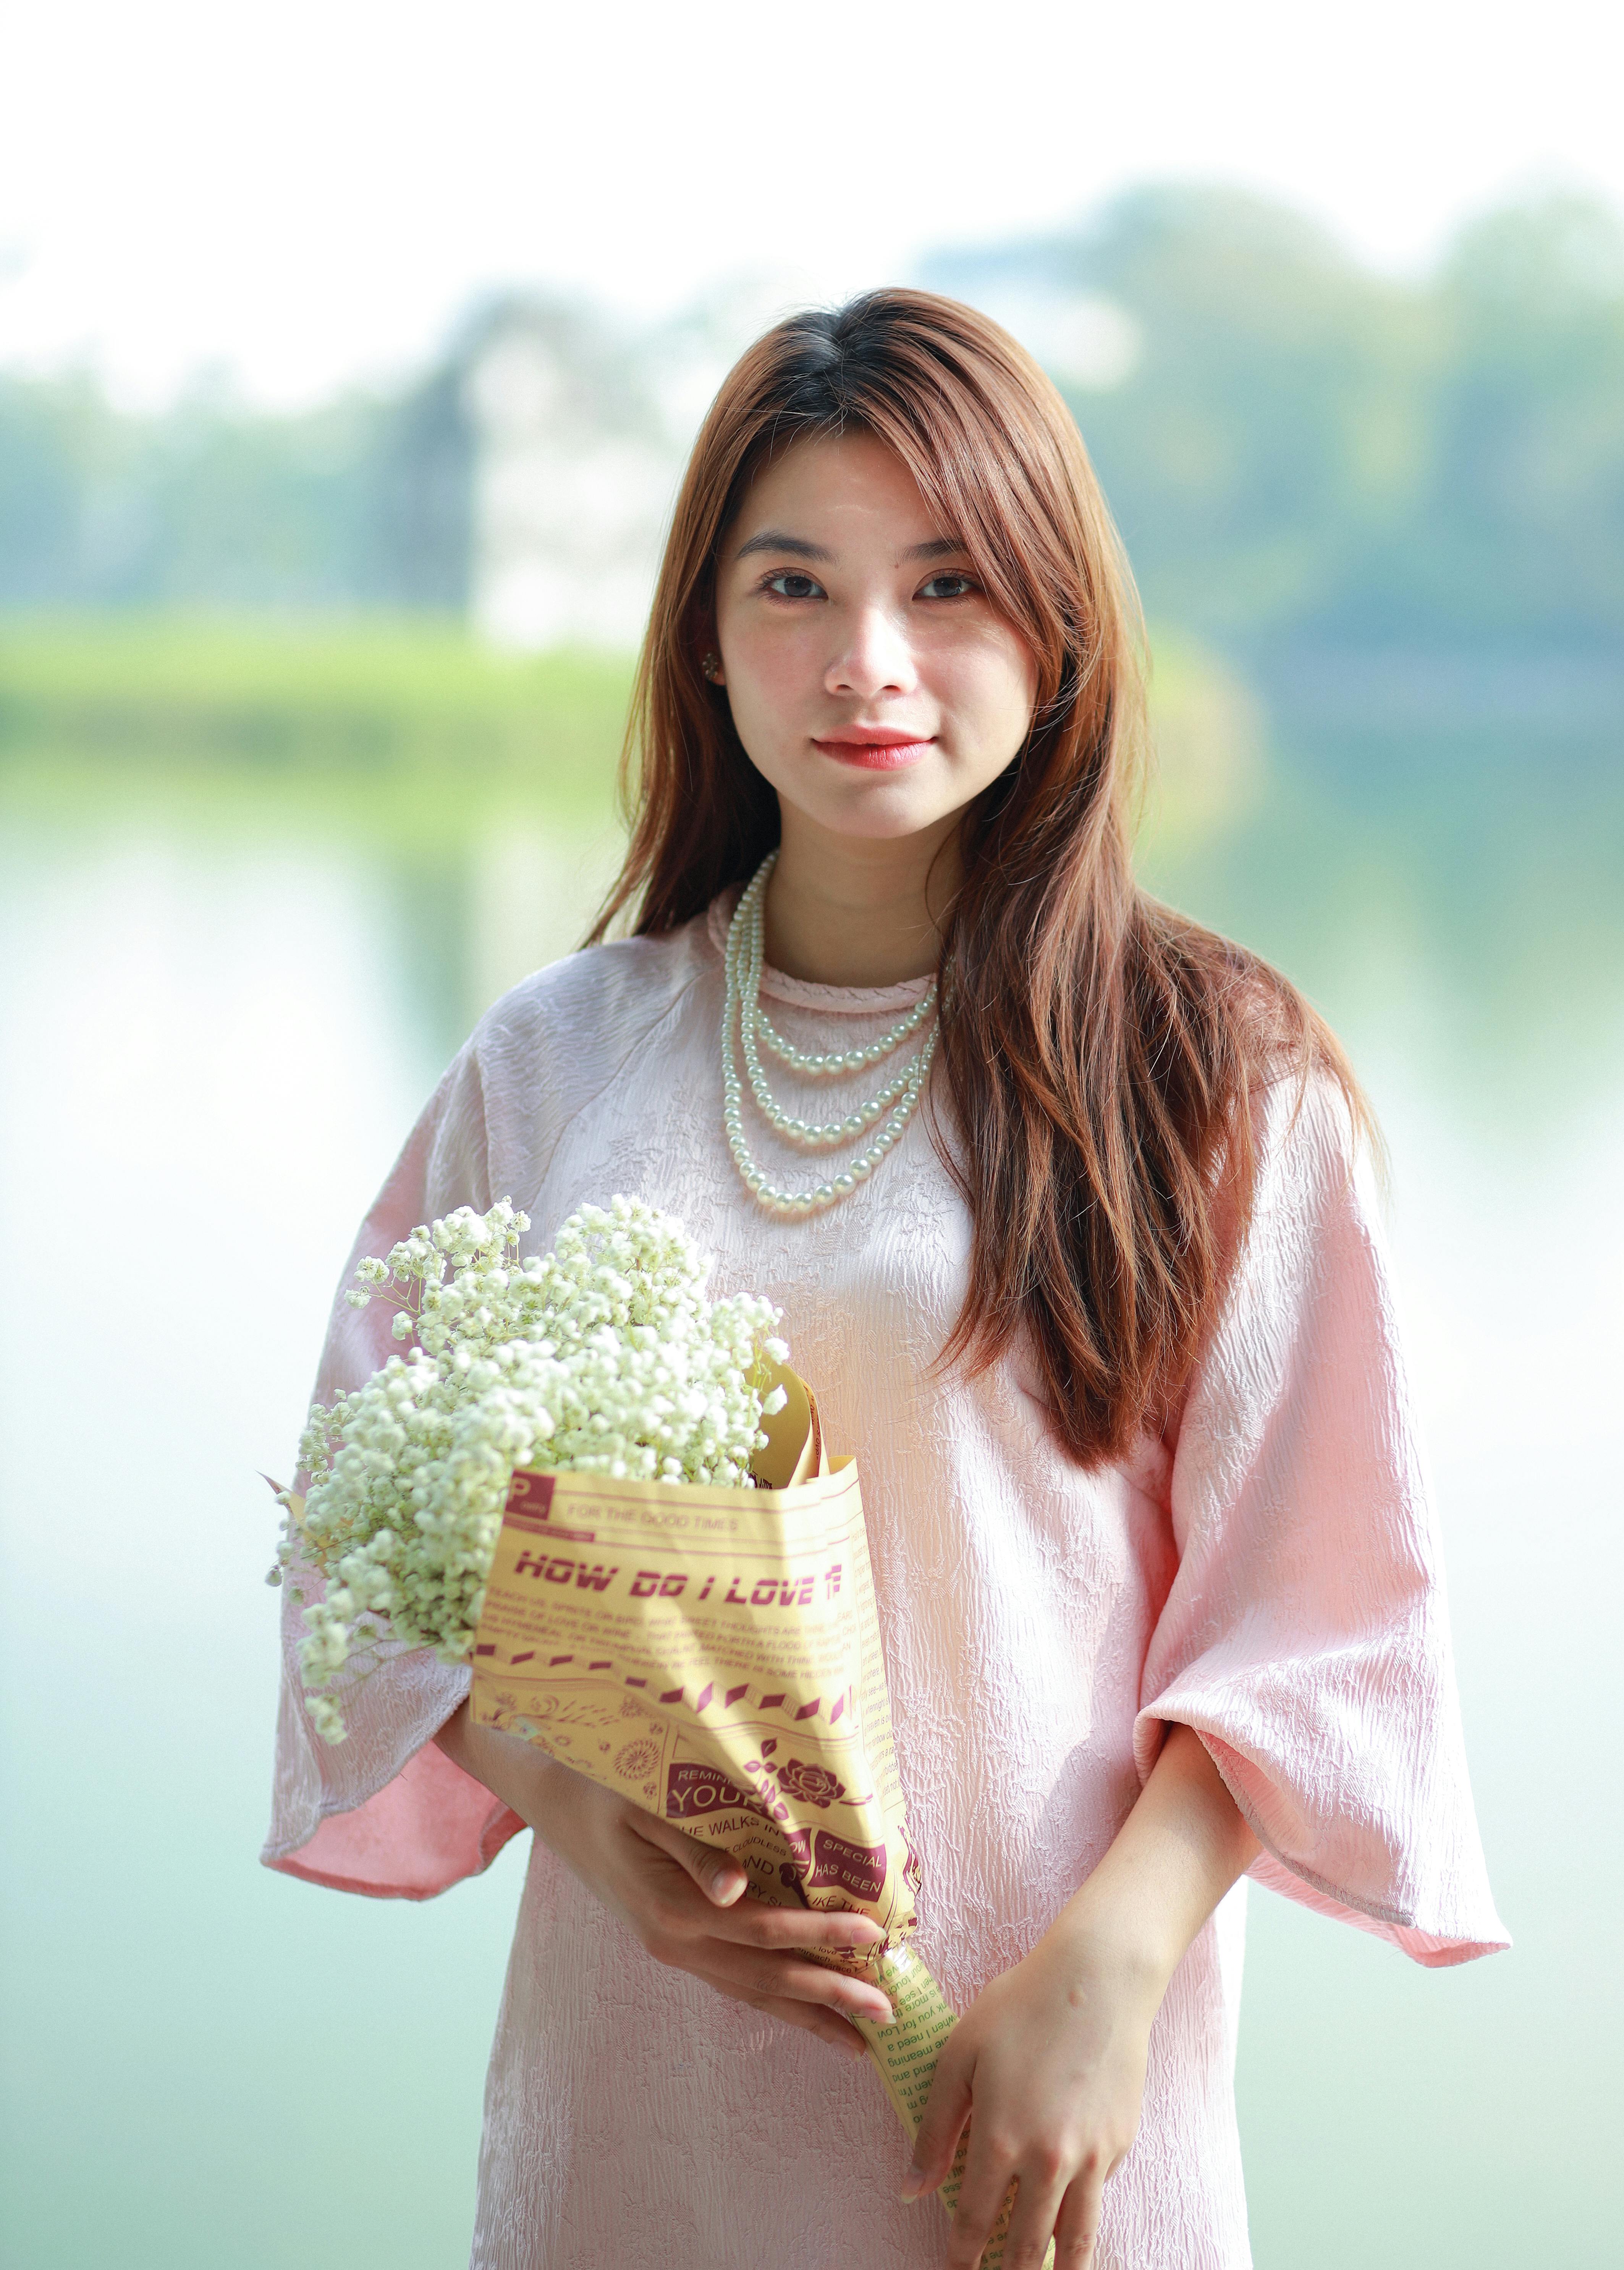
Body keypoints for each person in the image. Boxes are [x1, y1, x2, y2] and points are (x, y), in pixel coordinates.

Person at [264, 291, 1507, 2270]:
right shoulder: (554, 1060)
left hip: (1049, 2106)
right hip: (641, 2100)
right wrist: (599, 1831)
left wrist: (1108, 1975)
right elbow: (381, 1550)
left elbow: (1321, 1611)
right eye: (794, 585)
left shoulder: (1213, 1074)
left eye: (945, 585)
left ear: (1059, 621)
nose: (869, 664)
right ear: (703, 638)